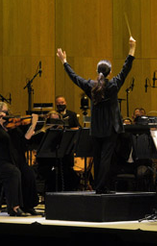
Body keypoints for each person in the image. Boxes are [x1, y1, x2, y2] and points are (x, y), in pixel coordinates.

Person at [56, 36, 136, 194]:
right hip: (110, 128)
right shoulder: (113, 84)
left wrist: (64, 62)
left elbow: (74, 77)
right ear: (110, 72)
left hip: (96, 128)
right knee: (106, 158)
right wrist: (132, 48)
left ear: (97, 71)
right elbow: (126, 68)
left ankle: (100, 187)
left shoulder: (90, 86)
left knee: (98, 158)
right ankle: (102, 187)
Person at [0, 102, 40, 216]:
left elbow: (23, 141)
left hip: (9, 161)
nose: (8, 114)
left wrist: (33, 124)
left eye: (7, 112)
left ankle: (28, 206)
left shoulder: (11, 128)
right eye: (4, 112)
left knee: (28, 173)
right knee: (13, 172)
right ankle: (14, 207)